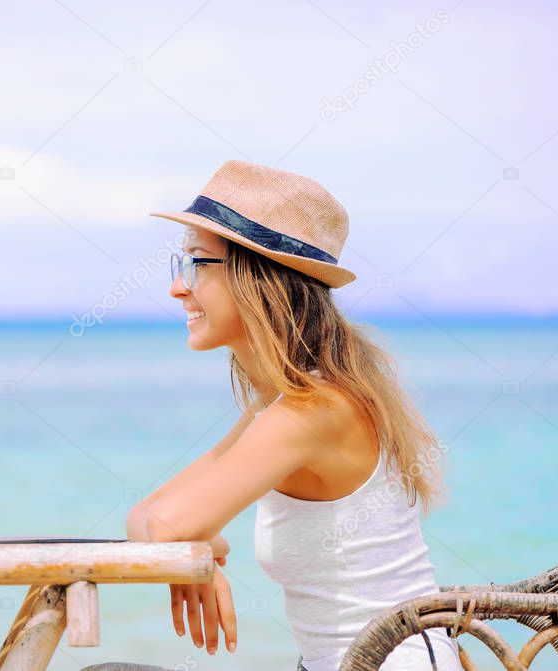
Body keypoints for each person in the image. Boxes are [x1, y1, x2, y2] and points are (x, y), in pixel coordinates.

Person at [123, 160, 464, 670]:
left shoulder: (313, 411)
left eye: (197, 263)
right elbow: (144, 518)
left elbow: (167, 525)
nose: (178, 287)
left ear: (257, 279)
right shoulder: (287, 404)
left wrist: (196, 540)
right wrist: (198, 543)